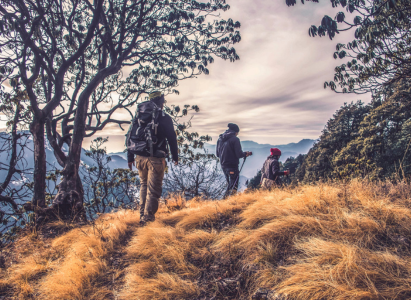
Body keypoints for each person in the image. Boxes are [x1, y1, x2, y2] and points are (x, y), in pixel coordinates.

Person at [127, 91, 178, 225]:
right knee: (153, 189)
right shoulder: (164, 117)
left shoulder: (139, 116)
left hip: (139, 157)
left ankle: (142, 216)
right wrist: (175, 156)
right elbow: (172, 138)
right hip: (155, 159)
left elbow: (130, 135)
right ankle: (147, 220)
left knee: (144, 185)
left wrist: (130, 157)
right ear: (161, 102)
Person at [216, 123, 252, 197]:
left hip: (223, 166)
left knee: (230, 185)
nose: (237, 135)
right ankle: (229, 204)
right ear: (236, 132)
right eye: (237, 133)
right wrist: (245, 154)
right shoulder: (235, 139)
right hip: (232, 166)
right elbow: (238, 154)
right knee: (233, 187)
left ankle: (225, 203)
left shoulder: (220, 139)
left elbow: (217, 154)